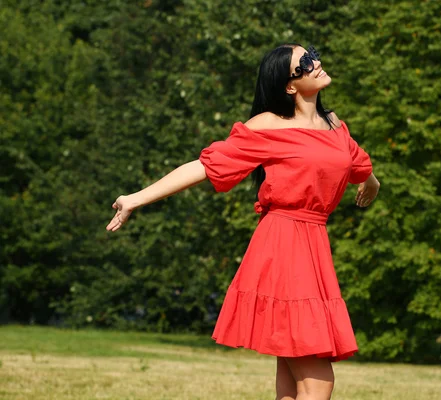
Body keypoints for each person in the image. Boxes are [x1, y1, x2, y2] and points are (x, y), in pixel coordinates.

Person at [106, 43, 380, 400]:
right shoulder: (269, 126)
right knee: (317, 380)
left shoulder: (334, 125)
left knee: (293, 370)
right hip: (283, 245)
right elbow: (204, 166)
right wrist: (135, 199)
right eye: (305, 63)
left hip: (314, 244)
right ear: (289, 86)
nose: (317, 63)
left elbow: (358, 162)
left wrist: (372, 184)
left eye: (313, 55)